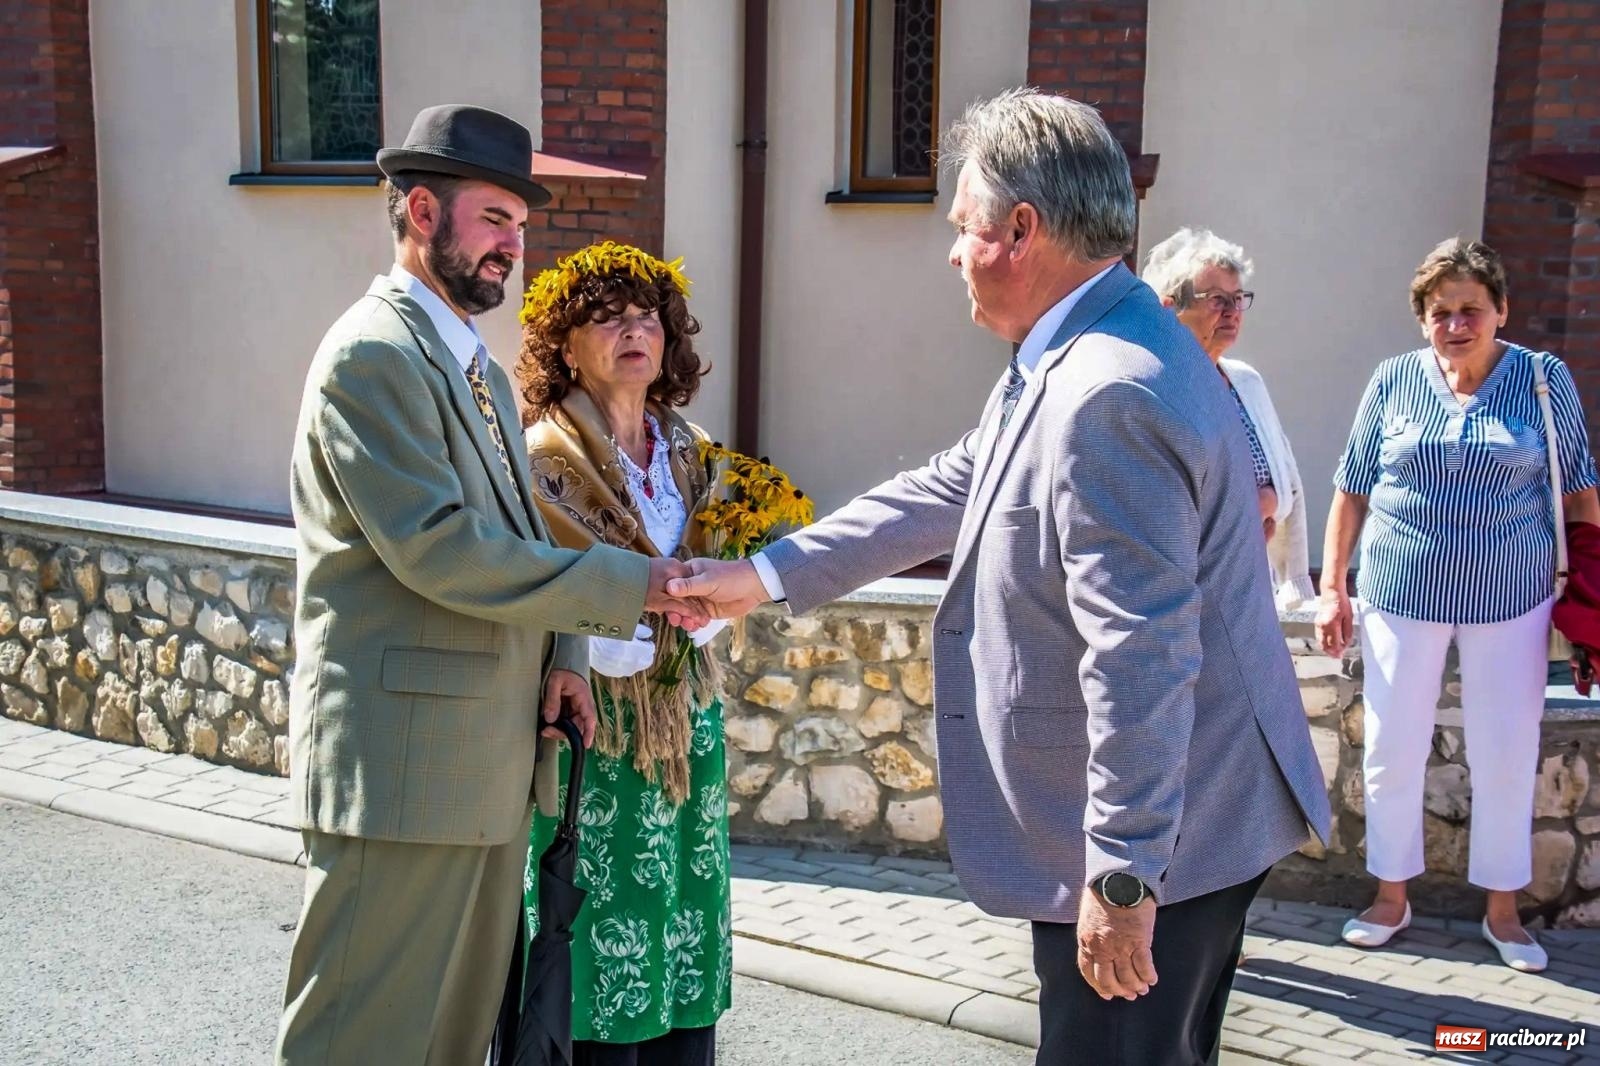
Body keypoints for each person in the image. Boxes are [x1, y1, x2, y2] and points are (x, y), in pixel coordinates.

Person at [668, 88, 1331, 1066]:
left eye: (962, 227)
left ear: (1022, 230)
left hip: (1161, 847)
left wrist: (1122, 876)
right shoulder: (1088, 342)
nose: (950, 253)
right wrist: (763, 575)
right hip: (1181, 829)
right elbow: (955, 482)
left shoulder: (1106, 391)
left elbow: (1141, 653)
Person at [276, 106, 702, 1065]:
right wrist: (632, 585)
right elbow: (439, 546)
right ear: (423, 213)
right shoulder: (373, 354)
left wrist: (565, 656)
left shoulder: (466, 357)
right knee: (359, 1044)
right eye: (494, 219)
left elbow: (519, 528)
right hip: (402, 778)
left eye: (520, 225)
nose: (513, 245)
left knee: (454, 1046)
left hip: (481, 772)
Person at [1317, 237, 1599, 972]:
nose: (1456, 324)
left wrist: (1590, 585)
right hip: (1400, 593)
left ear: (1501, 309)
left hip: (1512, 597)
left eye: (1471, 308)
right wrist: (1332, 585)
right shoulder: (1392, 379)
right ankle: (1390, 897)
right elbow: (1351, 487)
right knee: (1391, 747)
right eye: (1440, 312)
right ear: (1422, 319)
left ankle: (1503, 912)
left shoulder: (1542, 379)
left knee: (1506, 751)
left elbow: (1579, 487)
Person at [512, 241, 731, 1064]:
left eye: (647, 317)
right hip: (592, 724)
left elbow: (717, 558)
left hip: (685, 721)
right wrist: (597, 641)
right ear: (565, 346)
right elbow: (524, 583)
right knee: (602, 911)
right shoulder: (541, 459)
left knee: (686, 901)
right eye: (607, 319)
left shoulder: (689, 448)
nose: (633, 332)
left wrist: (712, 613)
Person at [1142, 227, 1314, 607]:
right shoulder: (1157, 389)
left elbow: (1288, 479)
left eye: (1238, 299)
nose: (1233, 311)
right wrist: (1245, 514)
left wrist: (1267, 503)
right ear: (1170, 309)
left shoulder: (1246, 381)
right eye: (1217, 300)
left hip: (1251, 585)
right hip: (1186, 591)